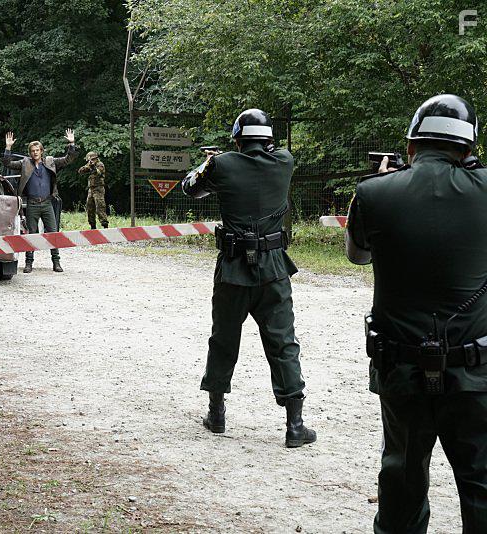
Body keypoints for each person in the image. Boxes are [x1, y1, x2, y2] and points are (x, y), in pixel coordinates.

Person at [346, 94, 487, 533]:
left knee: (402, 479)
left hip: (401, 368)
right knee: (481, 483)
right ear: (468, 147)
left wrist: (385, 183)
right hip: (476, 370)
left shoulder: (372, 193)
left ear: (410, 146)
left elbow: (357, 256)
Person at [182, 108, 315, 447]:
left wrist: (209, 163)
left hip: (233, 268)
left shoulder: (223, 164)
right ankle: (295, 425)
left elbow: (190, 188)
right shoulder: (284, 161)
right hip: (274, 268)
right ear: (269, 139)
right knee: (283, 343)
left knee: (223, 339)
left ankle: (216, 413)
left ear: (238, 139)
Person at [2, 129, 78, 273]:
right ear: (30, 153)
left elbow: (68, 159)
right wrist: (8, 147)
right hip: (32, 204)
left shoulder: (50, 161)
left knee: (53, 233)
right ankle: (29, 263)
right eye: (32, 151)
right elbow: (7, 163)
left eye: (37, 150)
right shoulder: (25, 163)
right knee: (31, 234)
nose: (35, 153)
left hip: (47, 203)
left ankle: (56, 262)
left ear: (41, 151)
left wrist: (72, 144)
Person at [78, 151, 109, 229]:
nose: (91, 161)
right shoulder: (90, 164)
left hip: (98, 189)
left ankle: (105, 225)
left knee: (100, 207)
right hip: (91, 189)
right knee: (90, 208)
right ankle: (92, 226)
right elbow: (80, 171)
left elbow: (98, 173)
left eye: (92, 160)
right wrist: (87, 166)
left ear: (96, 158)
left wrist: (92, 167)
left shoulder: (100, 164)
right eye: (90, 160)